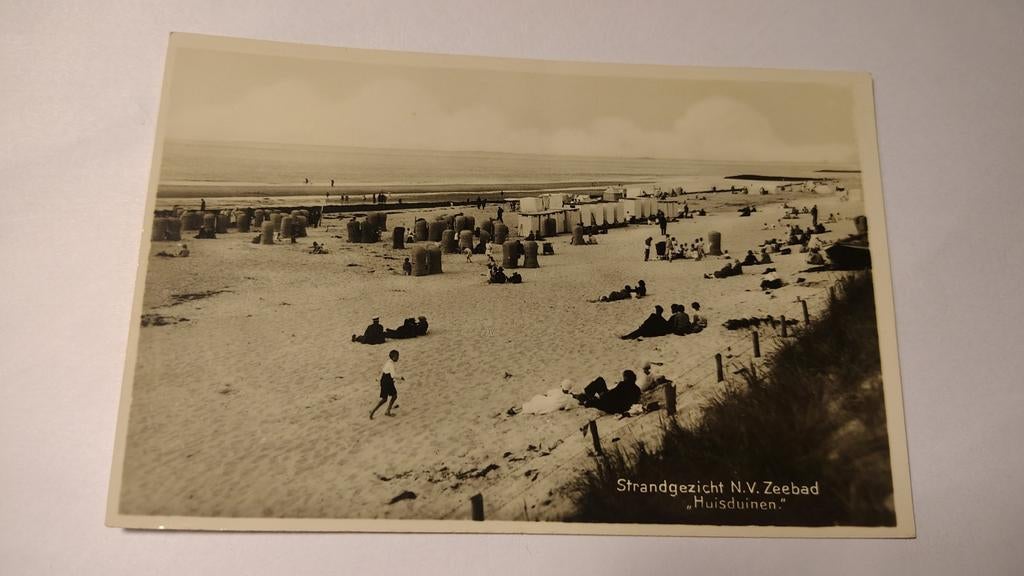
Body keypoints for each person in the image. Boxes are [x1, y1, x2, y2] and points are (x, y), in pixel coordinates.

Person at [370, 350, 401, 419]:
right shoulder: (391, 364)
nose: (398, 358)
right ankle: (373, 411)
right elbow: (393, 375)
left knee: (394, 396)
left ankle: (387, 411)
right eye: (397, 356)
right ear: (393, 357)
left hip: (386, 380)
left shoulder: (388, 362)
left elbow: (384, 372)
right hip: (387, 382)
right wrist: (400, 378)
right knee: (385, 399)